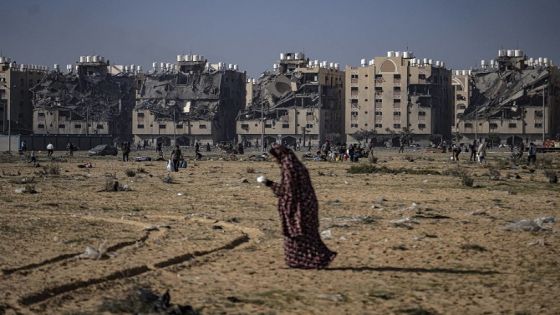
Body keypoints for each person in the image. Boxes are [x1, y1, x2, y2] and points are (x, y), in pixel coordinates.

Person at [259, 144, 336, 269]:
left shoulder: (289, 167)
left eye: (275, 157)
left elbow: (288, 191)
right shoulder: (295, 165)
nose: (274, 160)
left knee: (298, 233)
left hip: (299, 208)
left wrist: (269, 183)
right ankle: (309, 260)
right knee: (307, 234)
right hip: (306, 205)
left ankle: (312, 260)